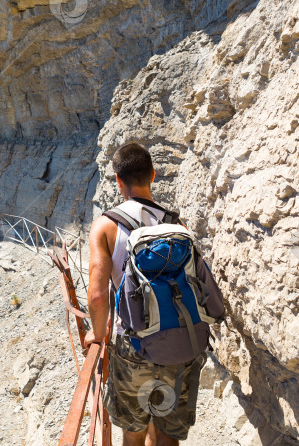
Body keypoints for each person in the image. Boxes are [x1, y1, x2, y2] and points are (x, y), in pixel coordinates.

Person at [84, 143, 208, 446]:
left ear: (118, 180)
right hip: (182, 341)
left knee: (134, 432)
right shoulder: (177, 224)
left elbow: (98, 296)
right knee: (168, 433)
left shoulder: (106, 226)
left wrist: (97, 333)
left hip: (134, 348)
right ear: (152, 175)